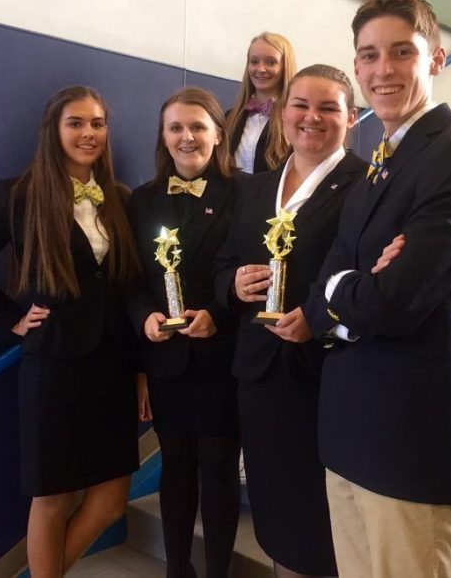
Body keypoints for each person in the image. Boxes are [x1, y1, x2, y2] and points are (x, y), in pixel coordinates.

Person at [303, 0, 451, 578]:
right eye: (367, 56)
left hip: (408, 436)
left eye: (400, 52)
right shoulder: (377, 161)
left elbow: (392, 304)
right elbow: (321, 292)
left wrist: (347, 290)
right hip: (347, 428)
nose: (381, 70)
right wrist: (350, 286)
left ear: (436, 59)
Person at [0, 86, 143, 578]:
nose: (88, 133)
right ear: (54, 131)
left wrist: (140, 371)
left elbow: (128, 286)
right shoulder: (20, 193)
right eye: (76, 123)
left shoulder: (118, 197)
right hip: (54, 366)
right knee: (53, 498)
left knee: (111, 502)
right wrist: (11, 318)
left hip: (113, 366)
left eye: (97, 123)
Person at [215, 65, 366, 578]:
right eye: (301, 104)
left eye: (329, 108)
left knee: (322, 521)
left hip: (328, 377)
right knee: (276, 511)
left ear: (351, 119)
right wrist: (232, 284)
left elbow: (366, 278)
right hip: (260, 375)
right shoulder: (254, 190)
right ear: (282, 114)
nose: (312, 117)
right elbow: (222, 264)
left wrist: (319, 318)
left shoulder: (366, 186)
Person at [127, 88, 244, 578]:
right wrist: (144, 319)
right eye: (175, 127)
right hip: (167, 361)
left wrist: (218, 312)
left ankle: (217, 570)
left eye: (198, 126)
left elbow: (257, 273)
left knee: (218, 469)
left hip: (222, 358)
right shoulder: (143, 199)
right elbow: (131, 280)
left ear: (218, 134)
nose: (187, 137)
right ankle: (178, 570)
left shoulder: (246, 193)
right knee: (174, 470)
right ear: (163, 136)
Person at [225, 32, 298, 174]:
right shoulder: (230, 117)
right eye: (254, 61)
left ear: (285, 67)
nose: (260, 69)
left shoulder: (294, 120)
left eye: (271, 62)